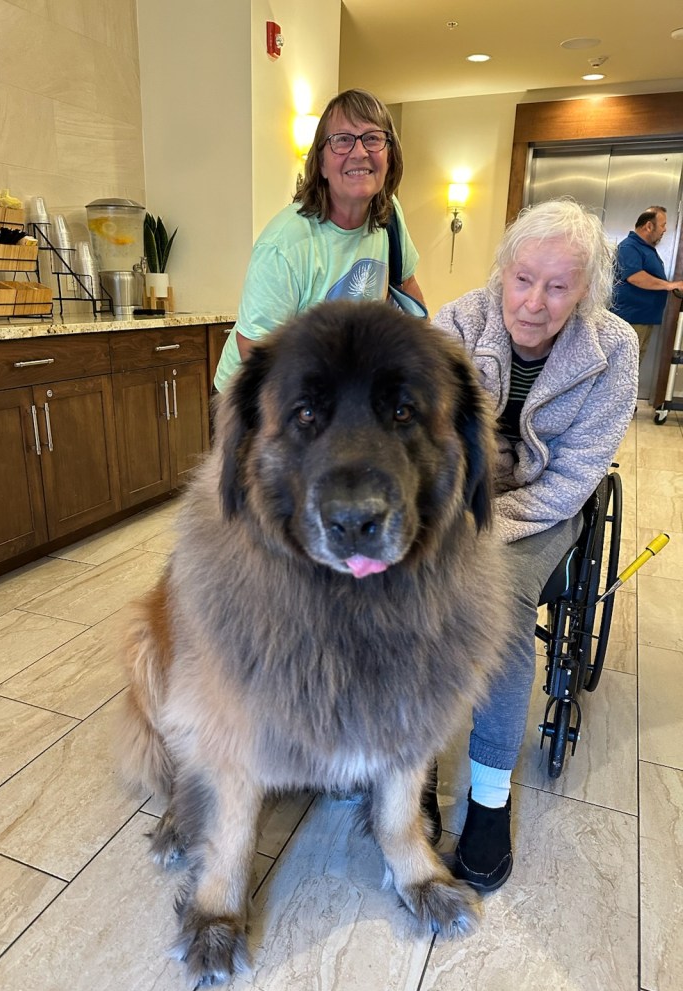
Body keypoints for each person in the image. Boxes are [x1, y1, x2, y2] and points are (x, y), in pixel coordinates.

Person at [432, 198, 638, 892]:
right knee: (398, 590)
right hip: (451, 500)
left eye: (558, 287)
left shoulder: (612, 349)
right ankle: (408, 770)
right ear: (503, 271)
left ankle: (489, 800)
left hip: (540, 513)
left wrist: (481, 532)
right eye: (524, 280)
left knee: (500, 602)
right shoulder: (456, 325)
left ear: (585, 293)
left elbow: (577, 475)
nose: (535, 302)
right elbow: (421, 444)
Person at [213, 88, 426, 392]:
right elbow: (254, 348)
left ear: (390, 155)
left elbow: (407, 286)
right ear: (322, 164)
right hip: (256, 394)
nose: (359, 152)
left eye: (373, 138)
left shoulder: (389, 214)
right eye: (342, 139)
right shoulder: (285, 243)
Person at [612, 206, 683, 364]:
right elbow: (635, 277)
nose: (665, 230)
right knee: (624, 368)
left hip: (643, 319)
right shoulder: (630, 247)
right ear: (649, 226)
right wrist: (668, 285)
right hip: (631, 320)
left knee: (632, 366)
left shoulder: (646, 249)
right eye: (663, 225)